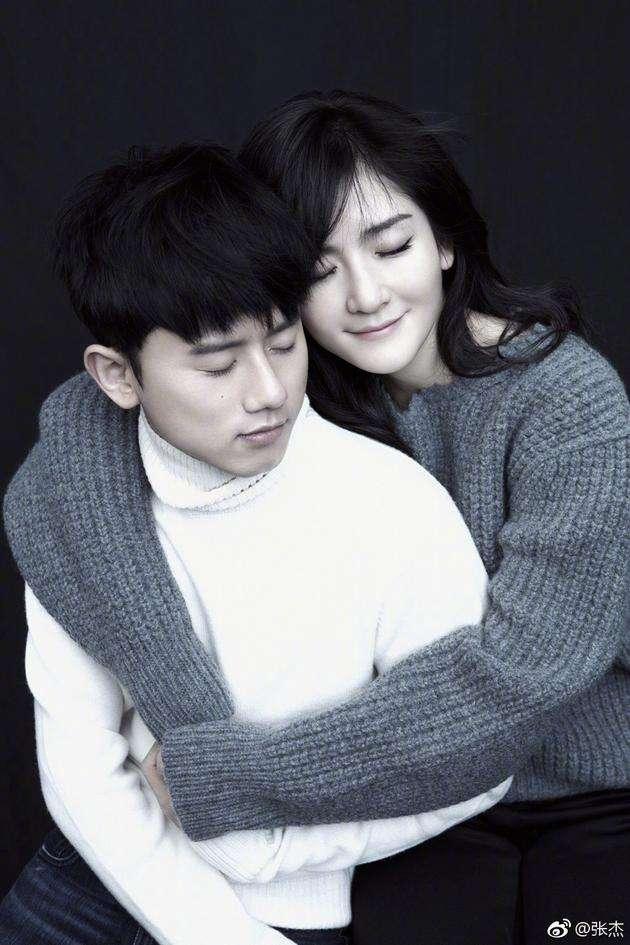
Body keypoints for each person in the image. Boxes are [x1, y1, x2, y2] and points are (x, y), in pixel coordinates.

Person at [17, 91, 626, 945]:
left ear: (446, 241)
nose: (365, 295)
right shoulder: (295, 385)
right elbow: (104, 410)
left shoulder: (568, 402)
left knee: (589, 933)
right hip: (397, 806)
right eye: (318, 269)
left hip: (587, 792)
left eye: (392, 246)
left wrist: (234, 779)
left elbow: (521, 679)